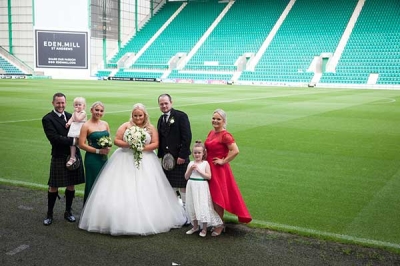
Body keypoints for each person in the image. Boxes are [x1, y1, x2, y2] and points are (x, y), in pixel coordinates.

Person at [79, 103, 186, 235]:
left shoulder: (151, 127)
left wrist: (141, 148)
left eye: (140, 115)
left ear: (144, 115)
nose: (137, 118)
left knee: (146, 188)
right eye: (135, 115)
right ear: (132, 115)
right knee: (123, 186)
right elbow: (117, 140)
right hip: (124, 158)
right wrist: (130, 145)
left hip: (146, 160)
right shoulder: (126, 125)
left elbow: (156, 144)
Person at [204, 109, 252, 236]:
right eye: (213, 118)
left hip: (219, 170)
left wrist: (223, 161)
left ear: (224, 121)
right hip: (208, 166)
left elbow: (235, 150)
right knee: (211, 196)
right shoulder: (211, 132)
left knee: (217, 197)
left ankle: (219, 225)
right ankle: (214, 221)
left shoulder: (225, 135)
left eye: (218, 119)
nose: (215, 121)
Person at [41, 92, 85, 226]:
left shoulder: (72, 116)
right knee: (53, 186)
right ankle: (49, 214)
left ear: (66, 103)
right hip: (59, 155)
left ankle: (68, 212)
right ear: (53, 103)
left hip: (73, 154)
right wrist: (73, 140)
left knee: (71, 185)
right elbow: (54, 138)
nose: (61, 105)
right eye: (58, 103)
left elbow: (81, 129)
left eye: (63, 102)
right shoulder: (47, 118)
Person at [157, 94, 192, 212]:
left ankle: (187, 212)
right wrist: (161, 156)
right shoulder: (161, 119)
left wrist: (182, 155)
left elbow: (187, 137)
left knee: (183, 186)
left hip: (179, 158)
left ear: (171, 103)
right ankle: (175, 211)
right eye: (161, 104)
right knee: (170, 186)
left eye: (166, 103)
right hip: (167, 159)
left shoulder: (181, 116)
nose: (164, 106)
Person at [184, 140, 223, 237]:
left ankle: (204, 228)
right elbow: (186, 176)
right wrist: (190, 169)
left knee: (203, 205)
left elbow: (209, 176)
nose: (197, 155)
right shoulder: (191, 163)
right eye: (195, 153)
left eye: (199, 153)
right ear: (193, 153)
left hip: (201, 186)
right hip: (191, 185)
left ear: (203, 153)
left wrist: (199, 171)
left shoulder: (205, 163)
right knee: (192, 205)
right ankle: (195, 226)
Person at [78, 101, 111, 203]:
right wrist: (98, 151)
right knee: (92, 183)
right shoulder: (86, 125)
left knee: (104, 183)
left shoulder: (105, 124)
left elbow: (109, 139)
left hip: (104, 159)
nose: (99, 112)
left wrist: (108, 147)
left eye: (101, 111)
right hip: (92, 160)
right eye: (97, 110)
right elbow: (81, 144)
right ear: (91, 110)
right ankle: (89, 210)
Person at [66, 97, 87, 167]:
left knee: (78, 143)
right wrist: (68, 123)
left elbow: (78, 119)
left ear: (84, 106)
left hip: (80, 129)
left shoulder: (83, 113)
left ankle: (74, 156)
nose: (78, 106)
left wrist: (75, 112)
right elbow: (72, 118)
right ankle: (72, 157)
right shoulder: (74, 113)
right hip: (74, 129)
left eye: (79, 105)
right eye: (76, 105)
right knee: (72, 143)